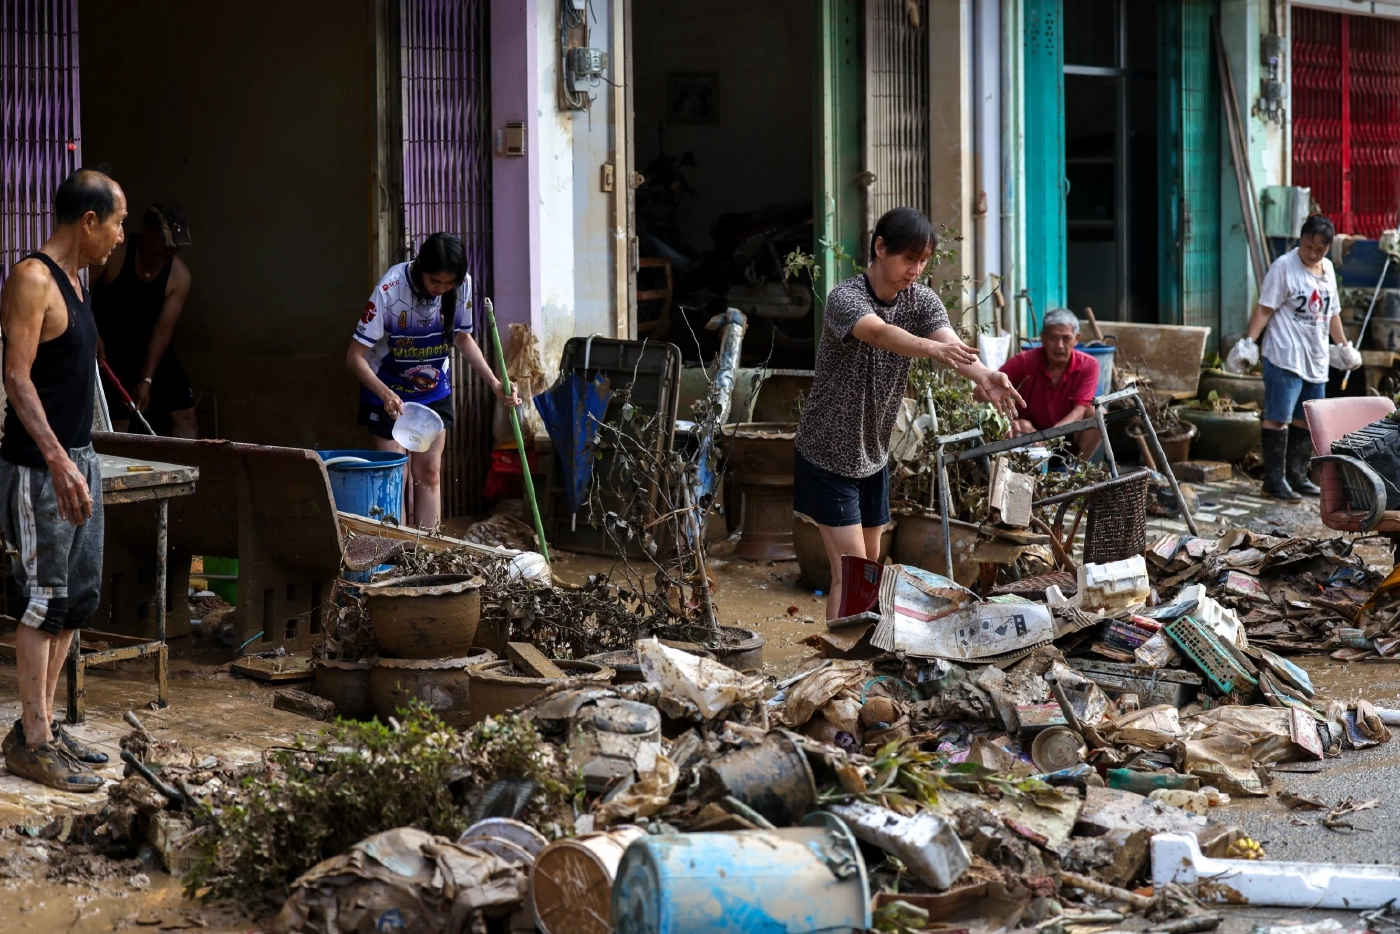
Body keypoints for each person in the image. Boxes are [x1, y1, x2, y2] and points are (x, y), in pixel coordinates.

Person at [794, 207, 1023, 620]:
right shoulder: (846, 298)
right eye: (909, 259)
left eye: (924, 261)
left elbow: (950, 344)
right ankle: (837, 656)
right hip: (828, 452)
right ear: (880, 248)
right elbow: (882, 333)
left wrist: (986, 374)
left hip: (872, 454)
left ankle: (857, 650)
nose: (916, 270)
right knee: (851, 575)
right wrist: (932, 348)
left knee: (870, 569)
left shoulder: (921, 300)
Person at [0, 168, 126, 791]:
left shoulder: (78, 282)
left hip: (79, 458)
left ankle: (42, 723)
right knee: (42, 600)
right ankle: (33, 742)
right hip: (38, 466)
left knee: (75, 600)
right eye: (118, 223)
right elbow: (17, 378)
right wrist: (56, 459)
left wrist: (79, 459)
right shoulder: (32, 279)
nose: (121, 237)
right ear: (89, 221)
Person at [347, 233, 518, 529]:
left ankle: (428, 549)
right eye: (435, 281)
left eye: (448, 284)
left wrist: (494, 383)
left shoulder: (462, 285)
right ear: (420, 267)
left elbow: (463, 338)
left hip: (432, 390)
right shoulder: (389, 290)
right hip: (387, 391)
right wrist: (385, 393)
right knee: (395, 477)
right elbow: (354, 357)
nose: (441, 289)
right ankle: (396, 550)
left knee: (430, 473)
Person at [1226, 214, 1360, 501]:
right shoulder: (1284, 267)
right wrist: (1249, 342)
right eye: (1308, 247)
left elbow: (1332, 313)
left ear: (1328, 248)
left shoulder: (1327, 270)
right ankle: (1273, 482)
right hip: (1284, 356)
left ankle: (1297, 477)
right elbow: (1265, 309)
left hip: (1316, 359)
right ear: (1300, 239)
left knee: (1305, 419)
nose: (1312, 254)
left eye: (1320, 250)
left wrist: (1344, 346)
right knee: (1278, 418)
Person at [90, 201, 197, 437]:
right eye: (165, 243)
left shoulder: (179, 276)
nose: (170, 251)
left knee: (184, 413)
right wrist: (91, 330)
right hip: (109, 347)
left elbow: (163, 331)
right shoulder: (116, 254)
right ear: (147, 232)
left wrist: (146, 379)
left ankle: (187, 462)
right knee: (118, 421)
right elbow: (79, 288)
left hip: (151, 347)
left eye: (176, 246)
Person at [998, 308, 1102, 460]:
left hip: (1068, 434)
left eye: (1066, 338)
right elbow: (989, 388)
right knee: (1019, 426)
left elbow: (1080, 411)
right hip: (1030, 435)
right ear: (1043, 338)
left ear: (1076, 339)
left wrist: (1050, 436)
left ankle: (1077, 468)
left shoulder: (1088, 364)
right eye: (1053, 338)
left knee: (1098, 413)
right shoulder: (1024, 361)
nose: (1060, 345)